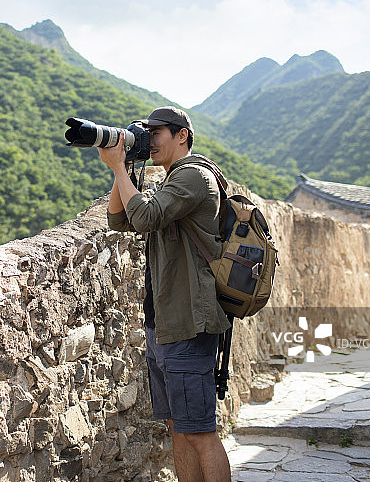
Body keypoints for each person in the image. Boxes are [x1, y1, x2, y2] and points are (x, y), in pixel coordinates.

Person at [98, 106, 232, 482]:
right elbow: (119, 219)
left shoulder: (193, 177)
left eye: (157, 133)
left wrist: (119, 168)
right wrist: (124, 166)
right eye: (146, 132)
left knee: (200, 432)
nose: (150, 139)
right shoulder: (170, 180)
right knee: (179, 427)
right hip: (164, 322)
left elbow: (143, 217)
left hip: (189, 321)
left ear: (182, 136)